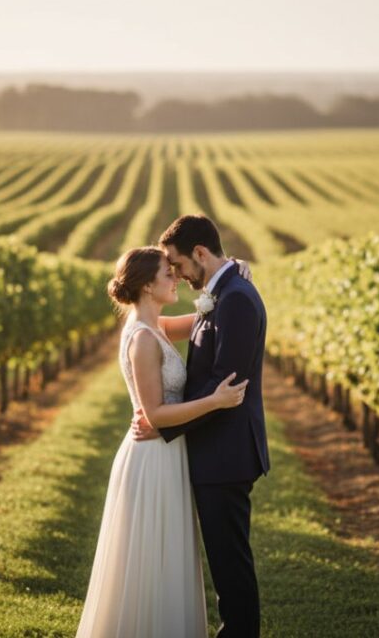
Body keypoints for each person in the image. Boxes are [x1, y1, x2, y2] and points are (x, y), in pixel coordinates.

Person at [76, 244, 251, 638]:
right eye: (167, 273)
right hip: (152, 457)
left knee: (166, 555)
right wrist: (215, 401)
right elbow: (154, 415)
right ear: (145, 285)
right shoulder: (141, 338)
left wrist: (232, 271)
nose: (176, 277)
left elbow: (207, 315)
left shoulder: (156, 325)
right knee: (152, 557)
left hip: (168, 453)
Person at [133, 215, 269, 638]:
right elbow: (174, 336)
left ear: (201, 253)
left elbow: (225, 385)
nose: (175, 273)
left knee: (231, 566)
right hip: (216, 452)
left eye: (177, 264)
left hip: (227, 455)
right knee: (226, 563)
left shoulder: (236, 299)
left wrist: (164, 425)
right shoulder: (222, 294)